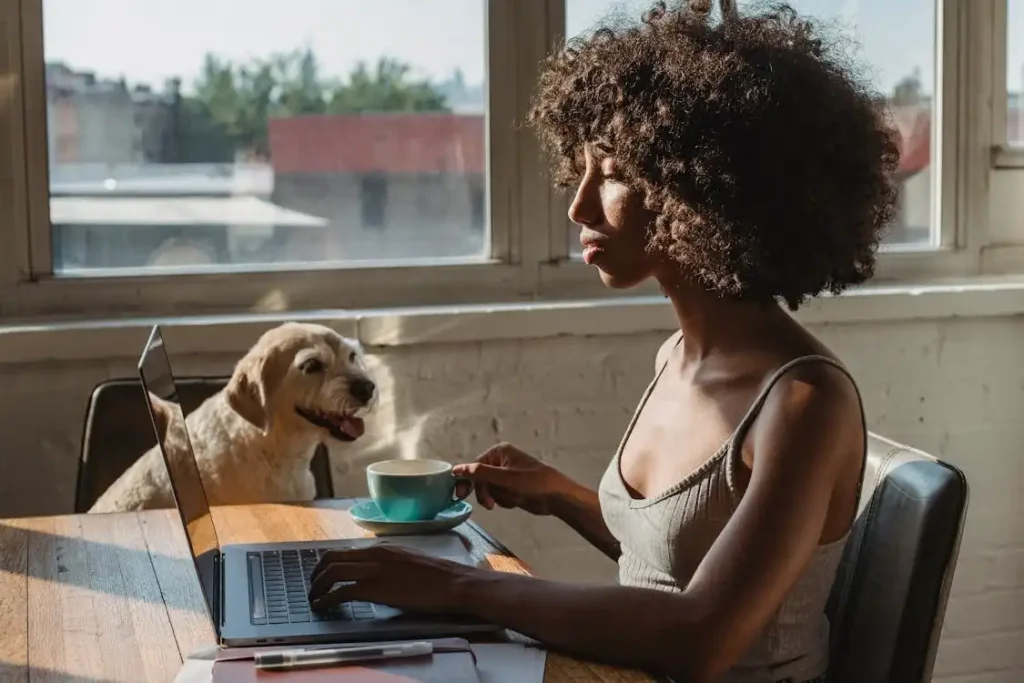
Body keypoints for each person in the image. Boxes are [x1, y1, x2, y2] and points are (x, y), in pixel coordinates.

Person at [309, 1, 898, 681]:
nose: (578, 205)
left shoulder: (805, 403)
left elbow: (700, 635)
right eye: (581, 169)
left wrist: (458, 587)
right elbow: (668, 564)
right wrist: (558, 494)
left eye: (612, 172)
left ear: (707, 185)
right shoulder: (677, 358)